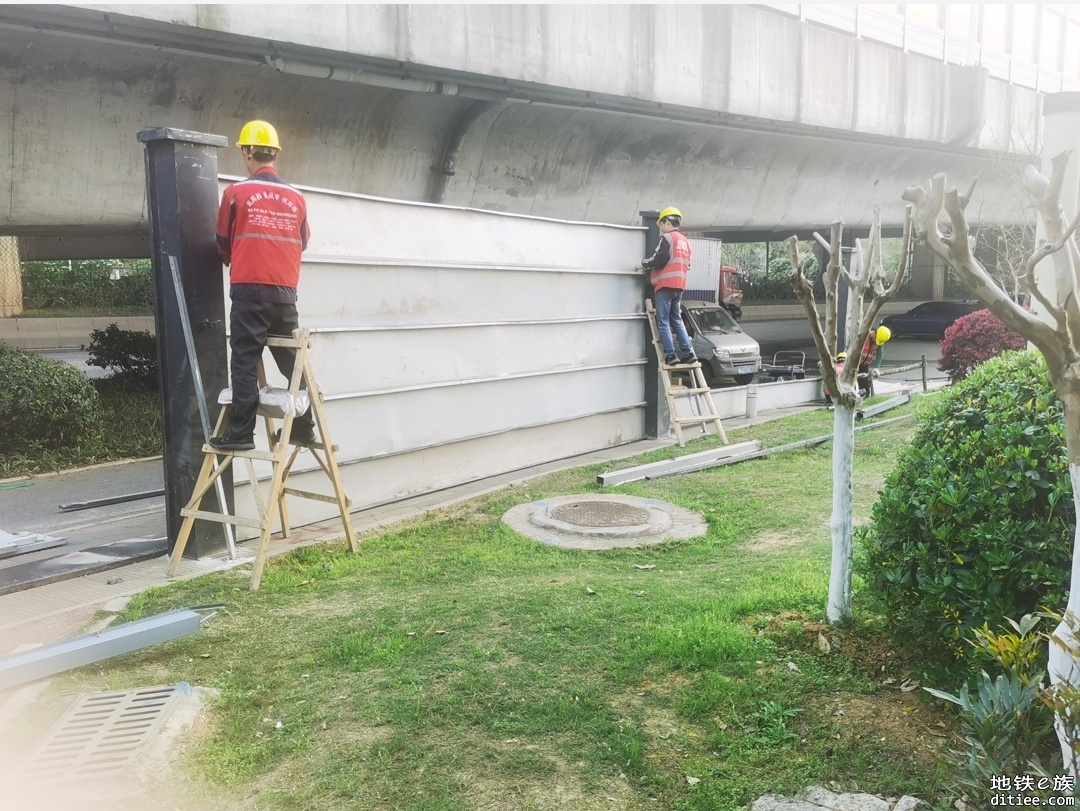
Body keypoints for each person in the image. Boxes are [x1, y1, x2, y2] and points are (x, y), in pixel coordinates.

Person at [210, 119, 316, 451]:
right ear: (275, 155)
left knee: (244, 360)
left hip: (249, 291)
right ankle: (304, 426)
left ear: (247, 152)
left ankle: (240, 434)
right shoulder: (297, 198)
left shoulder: (235, 193)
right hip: (285, 294)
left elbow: (222, 243)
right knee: (290, 362)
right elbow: (303, 241)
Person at [641, 206, 697, 366]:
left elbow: (659, 259)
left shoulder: (667, 238)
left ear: (666, 222)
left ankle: (670, 355)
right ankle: (688, 352)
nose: (662, 229)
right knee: (676, 319)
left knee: (663, 321)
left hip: (664, 286)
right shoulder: (686, 242)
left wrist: (644, 263)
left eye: (662, 224)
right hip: (679, 286)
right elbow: (687, 264)